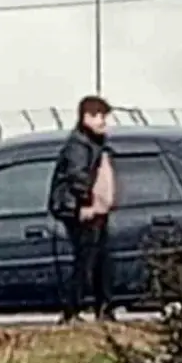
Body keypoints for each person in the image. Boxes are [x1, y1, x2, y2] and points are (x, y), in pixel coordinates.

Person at [48, 94, 116, 323]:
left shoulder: (94, 142)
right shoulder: (79, 145)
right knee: (86, 260)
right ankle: (72, 310)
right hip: (80, 209)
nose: (103, 122)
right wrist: (86, 203)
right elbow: (78, 177)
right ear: (86, 117)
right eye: (99, 116)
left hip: (93, 207)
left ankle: (102, 307)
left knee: (100, 259)